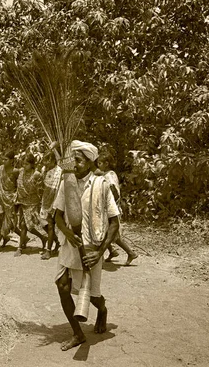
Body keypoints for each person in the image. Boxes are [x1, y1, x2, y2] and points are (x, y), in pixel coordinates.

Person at [53, 140, 120, 351]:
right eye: (73, 160)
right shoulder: (67, 182)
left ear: (90, 162)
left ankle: (102, 310)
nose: (75, 164)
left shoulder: (102, 185)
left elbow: (114, 223)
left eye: (79, 160)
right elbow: (57, 216)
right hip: (70, 246)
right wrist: (67, 234)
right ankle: (78, 333)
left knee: (92, 296)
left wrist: (100, 252)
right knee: (62, 285)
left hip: (92, 249)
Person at [98, 152, 138, 266]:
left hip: (111, 209)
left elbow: (114, 192)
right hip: (110, 208)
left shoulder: (109, 176)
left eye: (100, 163)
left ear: (106, 163)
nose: (98, 165)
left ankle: (130, 252)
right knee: (107, 233)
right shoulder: (108, 174)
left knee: (112, 235)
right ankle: (113, 251)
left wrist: (110, 205)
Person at [15, 153, 47, 257]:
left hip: (33, 203)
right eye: (23, 164)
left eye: (27, 164)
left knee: (28, 225)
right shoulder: (20, 172)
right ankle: (42, 237)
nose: (24, 166)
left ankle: (20, 248)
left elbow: (41, 189)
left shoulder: (37, 174)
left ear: (32, 164)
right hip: (22, 202)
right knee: (24, 225)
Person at [0, 150, 19, 255]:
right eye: (3, 159)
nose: (3, 161)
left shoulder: (16, 171)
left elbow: (18, 186)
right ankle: (23, 237)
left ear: (12, 160)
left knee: (6, 223)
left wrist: (16, 199)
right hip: (0, 199)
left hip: (10, 200)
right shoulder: (1, 169)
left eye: (6, 159)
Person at [40, 151, 62, 260]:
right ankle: (57, 241)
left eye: (48, 162)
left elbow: (56, 189)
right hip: (45, 199)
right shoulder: (44, 170)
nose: (46, 164)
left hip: (55, 200)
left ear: (54, 161)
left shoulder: (59, 172)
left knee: (50, 225)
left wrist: (53, 205)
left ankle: (48, 250)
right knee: (42, 223)